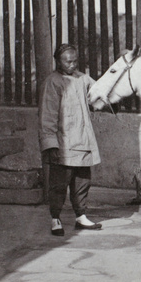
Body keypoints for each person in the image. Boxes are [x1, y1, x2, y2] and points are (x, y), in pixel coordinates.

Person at [39, 44, 102, 236]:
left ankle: (80, 216)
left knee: (82, 180)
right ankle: (55, 218)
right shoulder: (52, 82)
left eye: (75, 61)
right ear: (58, 61)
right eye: (68, 61)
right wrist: (50, 144)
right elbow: (47, 115)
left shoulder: (82, 78)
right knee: (59, 184)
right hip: (63, 143)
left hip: (82, 140)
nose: (72, 64)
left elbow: (98, 92)